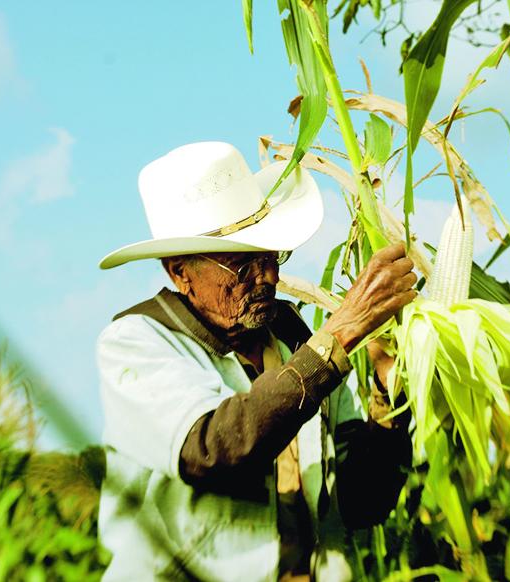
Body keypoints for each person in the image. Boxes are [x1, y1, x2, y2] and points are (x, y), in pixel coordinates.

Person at [96, 142, 417, 581]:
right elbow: (211, 449)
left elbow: (361, 501)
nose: (270, 278)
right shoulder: (136, 343)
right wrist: (339, 335)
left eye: (270, 256)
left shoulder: (294, 340)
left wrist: (389, 395)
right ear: (179, 272)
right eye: (241, 267)